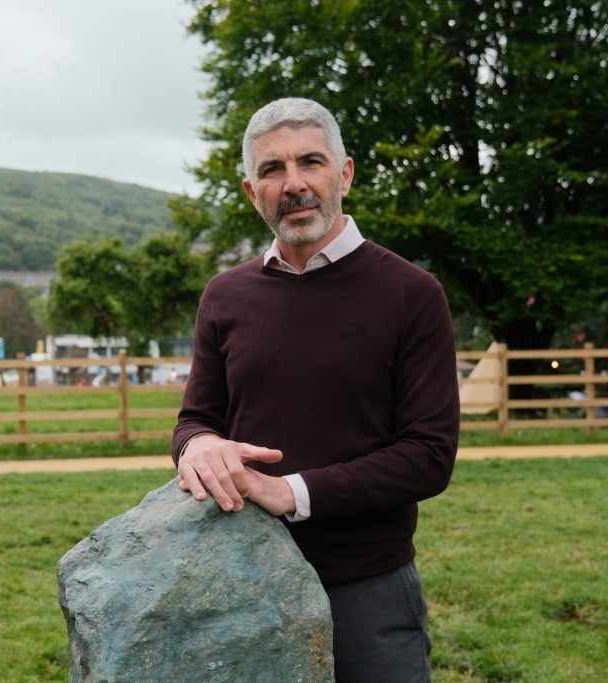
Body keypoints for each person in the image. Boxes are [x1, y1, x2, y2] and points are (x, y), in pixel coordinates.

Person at [172, 97, 460, 683]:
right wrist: (197, 447)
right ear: (253, 192)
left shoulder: (412, 294)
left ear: (345, 174)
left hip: (368, 591)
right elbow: (195, 418)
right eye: (273, 170)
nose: (294, 184)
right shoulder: (224, 296)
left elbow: (428, 456)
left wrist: (292, 492)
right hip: (240, 580)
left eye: (311, 162)